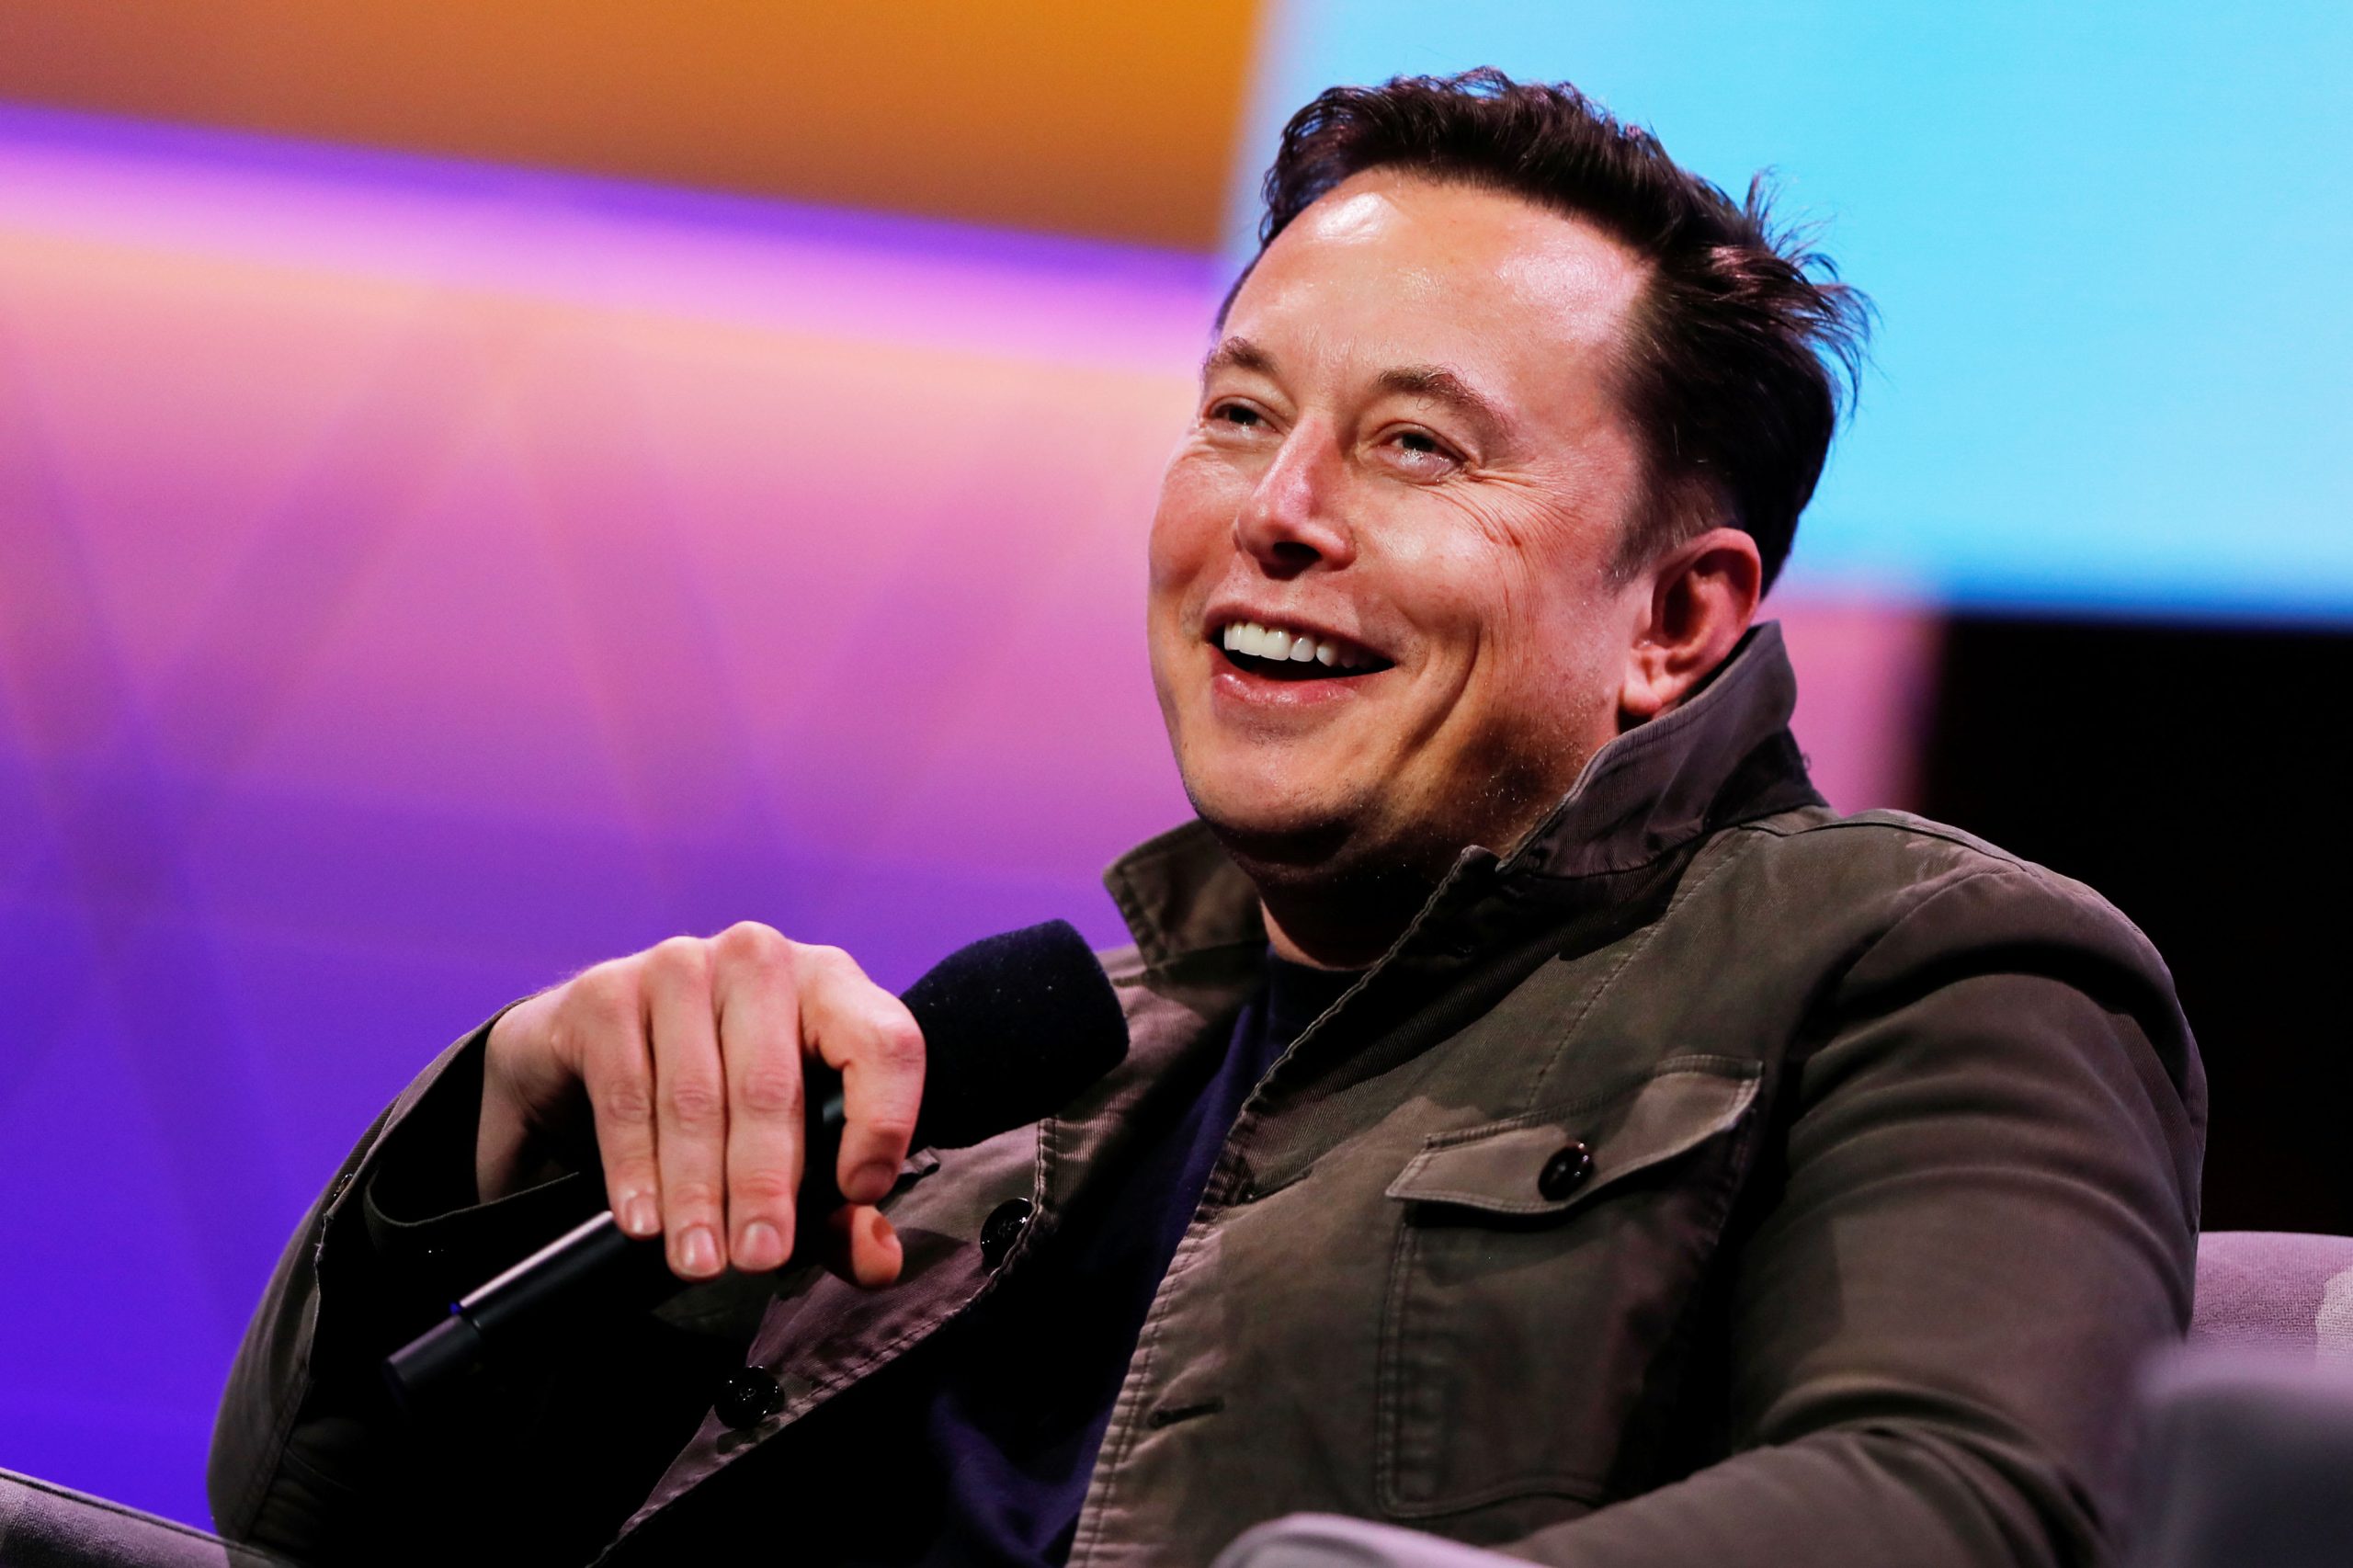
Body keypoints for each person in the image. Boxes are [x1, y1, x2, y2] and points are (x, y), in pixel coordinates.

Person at [207, 70, 2203, 1568]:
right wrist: (508, 1123)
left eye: (1415, 444)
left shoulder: (1916, 967)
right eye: (1239, 413)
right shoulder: (1012, 1066)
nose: (1276, 509)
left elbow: (1973, 1503)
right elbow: (312, 1519)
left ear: (1673, 619)